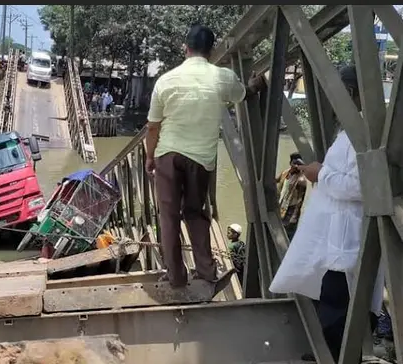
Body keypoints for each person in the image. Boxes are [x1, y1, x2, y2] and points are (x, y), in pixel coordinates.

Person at [269, 65, 384, 363]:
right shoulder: (355, 129)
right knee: (333, 298)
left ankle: (338, 356)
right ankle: (332, 353)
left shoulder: (362, 133)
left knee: (340, 302)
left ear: (348, 93)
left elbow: (360, 187)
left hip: (347, 237)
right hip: (338, 234)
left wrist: (321, 174)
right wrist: (321, 171)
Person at [144, 24, 266, 288]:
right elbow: (244, 94)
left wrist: (150, 157)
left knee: (168, 216)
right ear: (211, 51)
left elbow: (153, 126)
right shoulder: (223, 77)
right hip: (201, 160)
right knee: (195, 213)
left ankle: (176, 277)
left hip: (168, 154)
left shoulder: (165, 80)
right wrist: (255, 85)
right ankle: (206, 271)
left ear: (185, 48)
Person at [276, 152, 308, 240]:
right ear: (290, 163)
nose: (296, 166)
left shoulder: (301, 179)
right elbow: (276, 180)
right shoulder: (285, 173)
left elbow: (300, 200)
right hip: (280, 207)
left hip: (291, 210)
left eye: (299, 164)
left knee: (288, 235)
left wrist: (294, 216)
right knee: (279, 233)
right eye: (294, 163)